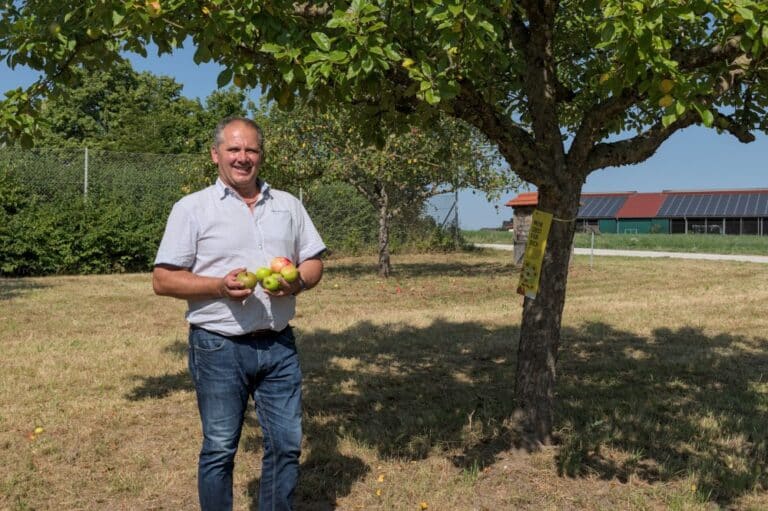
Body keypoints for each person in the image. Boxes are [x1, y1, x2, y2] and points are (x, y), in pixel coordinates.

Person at [152, 116, 326, 511]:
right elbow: (163, 280)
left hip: (279, 344)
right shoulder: (192, 208)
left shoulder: (287, 205)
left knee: (285, 445)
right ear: (216, 155)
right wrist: (218, 286)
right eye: (234, 149)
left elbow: (314, 261)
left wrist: (295, 282)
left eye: (251, 149)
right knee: (219, 448)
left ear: (261, 155)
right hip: (217, 346)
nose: (243, 157)